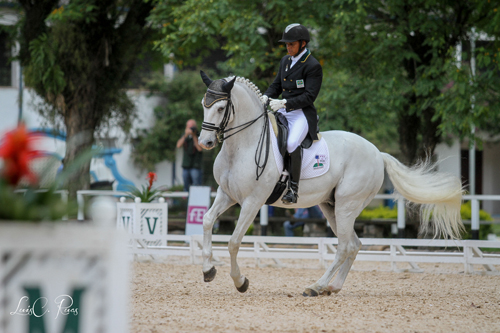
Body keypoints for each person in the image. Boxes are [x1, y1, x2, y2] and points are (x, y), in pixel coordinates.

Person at [263, 23, 323, 205]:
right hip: (282, 109)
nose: (288, 47)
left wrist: (285, 102)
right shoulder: (285, 61)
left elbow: (309, 96)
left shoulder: (312, 66)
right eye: (287, 44)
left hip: (301, 113)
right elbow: (276, 85)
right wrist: (265, 96)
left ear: (303, 43)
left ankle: (293, 189)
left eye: (292, 44)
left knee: (290, 143)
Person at [176, 119, 203, 192]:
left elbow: (199, 149)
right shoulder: (185, 136)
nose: (190, 129)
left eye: (192, 127)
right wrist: (185, 135)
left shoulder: (199, 135)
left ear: (195, 127)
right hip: (186, 165)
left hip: (195, 166)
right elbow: (178, 145)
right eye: (189, 127)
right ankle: (186, 202)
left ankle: (196, 201)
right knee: (186, 186)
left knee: (196, 186)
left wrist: (194, 136)